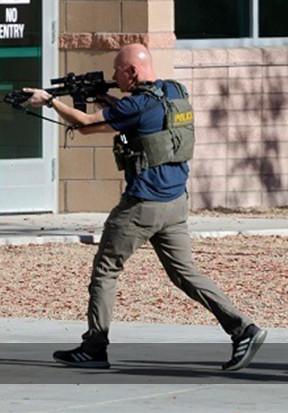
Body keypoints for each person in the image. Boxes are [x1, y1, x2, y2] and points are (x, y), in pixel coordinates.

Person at [24, 43, 267, 371]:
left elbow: (84, 125)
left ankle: (95, 347)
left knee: (106, 268)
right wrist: (109, 102)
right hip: (175, 203)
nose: (113, 76)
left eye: (117, 71)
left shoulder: (137, 104)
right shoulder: (173, 92)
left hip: (143, 204)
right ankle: (243, 329)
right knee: (185, 274)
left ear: (132, 73)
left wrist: (50, 102)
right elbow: (137, 123)